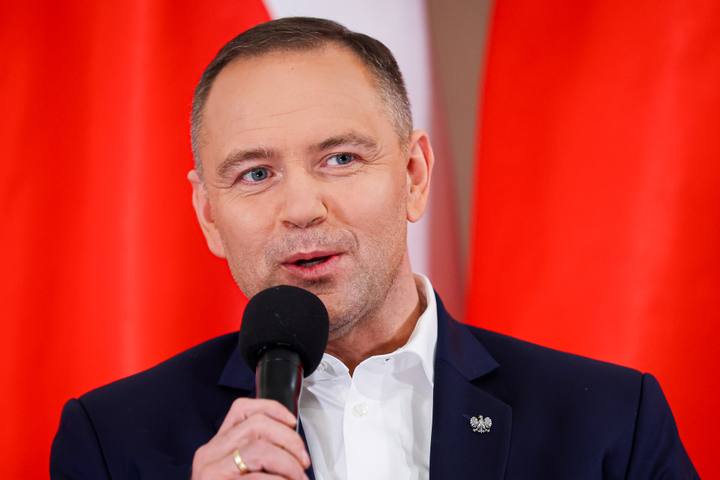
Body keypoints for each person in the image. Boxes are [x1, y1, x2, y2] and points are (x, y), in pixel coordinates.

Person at [50, 17, 697, 479]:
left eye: (340, 158)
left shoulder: (613, 419)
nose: (301, 208)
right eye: (255, 173)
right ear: (208, 215)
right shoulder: (110, 440)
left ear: (413, 176)